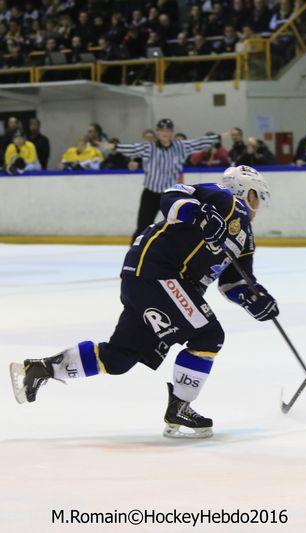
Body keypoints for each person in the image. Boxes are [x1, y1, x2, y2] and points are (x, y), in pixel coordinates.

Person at [9, 166, 277, 439]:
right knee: (209, 336)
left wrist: (254, 298)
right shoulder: (223, 198)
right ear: (247, 191)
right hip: (158, 273)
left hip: (152, 280)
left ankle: (41, 368)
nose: (258, 206)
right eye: (257, 197)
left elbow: (234, 282)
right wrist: (198, 214)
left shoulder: (245, 238)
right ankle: (180, 407)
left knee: (119, 358)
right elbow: (171, 194)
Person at [106, 119, 224, 241]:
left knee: (174, 227)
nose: (165, 133)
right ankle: (135, 251)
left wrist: (219, 137)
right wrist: (115, 147)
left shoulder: (180, 147)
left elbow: (198, 143)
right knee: (142, 227)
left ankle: (173, 252)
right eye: (162, 130)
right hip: (151, 194)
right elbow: (133, 148)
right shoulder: (149, 148)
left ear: (172, 132)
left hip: (170, 195)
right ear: (157, 132)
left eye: (168, 130)